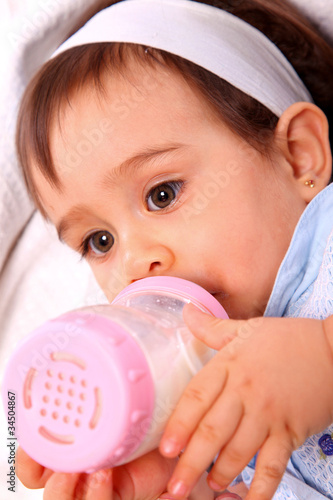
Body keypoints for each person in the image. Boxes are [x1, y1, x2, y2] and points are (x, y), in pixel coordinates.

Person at [13, 0, 333, 499]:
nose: (137, 264)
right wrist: (193, 486)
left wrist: (323, 357)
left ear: (298, 156)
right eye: (100, 242)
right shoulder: (194, 411)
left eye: (162, 194)